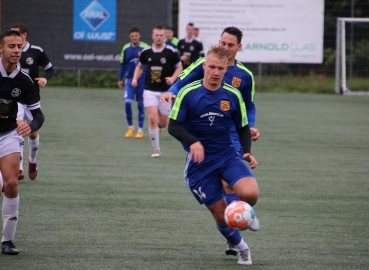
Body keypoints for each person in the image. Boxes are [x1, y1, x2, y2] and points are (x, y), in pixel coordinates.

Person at [161, 26, 260, 255]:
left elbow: (248, 106)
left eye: (230, 45)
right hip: (203, 132)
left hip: (231, 132)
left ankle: (238, 217)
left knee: (232, 183)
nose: (225, 48)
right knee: (222, 192)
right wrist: (170, 91)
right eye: (222, 43)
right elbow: (182, 81)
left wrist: (250, 125)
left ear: (238, 48)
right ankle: (234, 225)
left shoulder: (245, 76)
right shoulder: (204, 64)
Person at [0, 30, 45, 255]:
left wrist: (32, 126)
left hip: (8, 134)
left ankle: (7, 240)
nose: (16, 50)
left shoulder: (24, 80)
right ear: (1, 49)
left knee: (11, 184)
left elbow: (38, 115)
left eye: (19, 46)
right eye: (11, 46)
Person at [10, 23, 54, 180]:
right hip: (17, 100)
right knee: (18, 129)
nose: (13, 36)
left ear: (24, 35)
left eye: (16, 34)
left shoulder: (36, 52)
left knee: (33, 133)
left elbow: (50, 69)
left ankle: (32, 160)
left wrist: (45, 79)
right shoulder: (10, 53)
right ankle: (20, 168)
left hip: (32, 98)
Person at [132, 26, 182, 157]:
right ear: (152, 36)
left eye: (161, 35)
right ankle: (156, 150)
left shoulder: (170, 51)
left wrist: (172, 78)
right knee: (152, 117)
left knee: (164, 122)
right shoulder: (146, 52)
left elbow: (179, 67)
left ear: (164, 36)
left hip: (165, 92)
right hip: (149, 90)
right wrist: (134, 79)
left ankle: (160, 127)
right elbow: (140, 67)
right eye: (157, 35)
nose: (159, 37)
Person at [118, 27, 149, 139]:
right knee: (127, 103)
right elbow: (122, 64)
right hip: (130, 80)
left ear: (139, 35)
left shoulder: (145, 48)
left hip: (142, 80)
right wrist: (120, 79)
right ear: (130, 37)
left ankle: (140, 130)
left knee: (141, 104)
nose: (134, 37)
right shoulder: (126, 48)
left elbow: (150, 64)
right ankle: (131, 127)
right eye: (132, 36)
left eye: (136, 35)